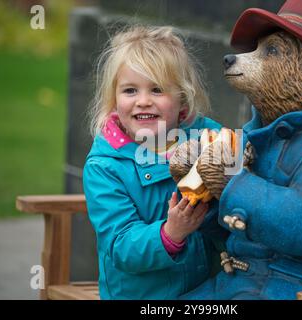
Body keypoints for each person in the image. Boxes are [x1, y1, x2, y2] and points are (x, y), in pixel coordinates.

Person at [83, 25, 224, 300]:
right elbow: (121, 244)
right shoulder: (105, 166)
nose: (143, 101)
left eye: (157, 90)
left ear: (181, 98)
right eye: (130, 90)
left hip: (204, 290)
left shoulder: (203, 137)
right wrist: (171, 233)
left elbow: (238, 150)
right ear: (114, 99)